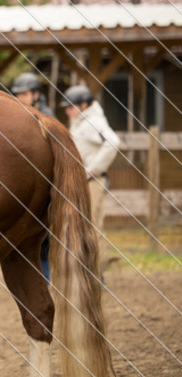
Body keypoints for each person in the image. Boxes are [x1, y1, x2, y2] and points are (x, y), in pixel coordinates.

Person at [62, 84, 121, 271]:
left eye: (71, 107)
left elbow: (112, 142)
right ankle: (88, 268)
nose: (67, 111)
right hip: (85, 180)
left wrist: (93, 169)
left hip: (92, 181)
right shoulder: (82, 122)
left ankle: (97, 271)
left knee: (92, 225)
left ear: (84, 105)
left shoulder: (92, 122)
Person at [10, 71, 54, 280]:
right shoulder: (19, 116)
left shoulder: (46, 117)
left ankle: (46, 279)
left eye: (24, 94)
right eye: (17, 94)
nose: (20, 98)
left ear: (36, 94)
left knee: (44, 237)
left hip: (47, 180)